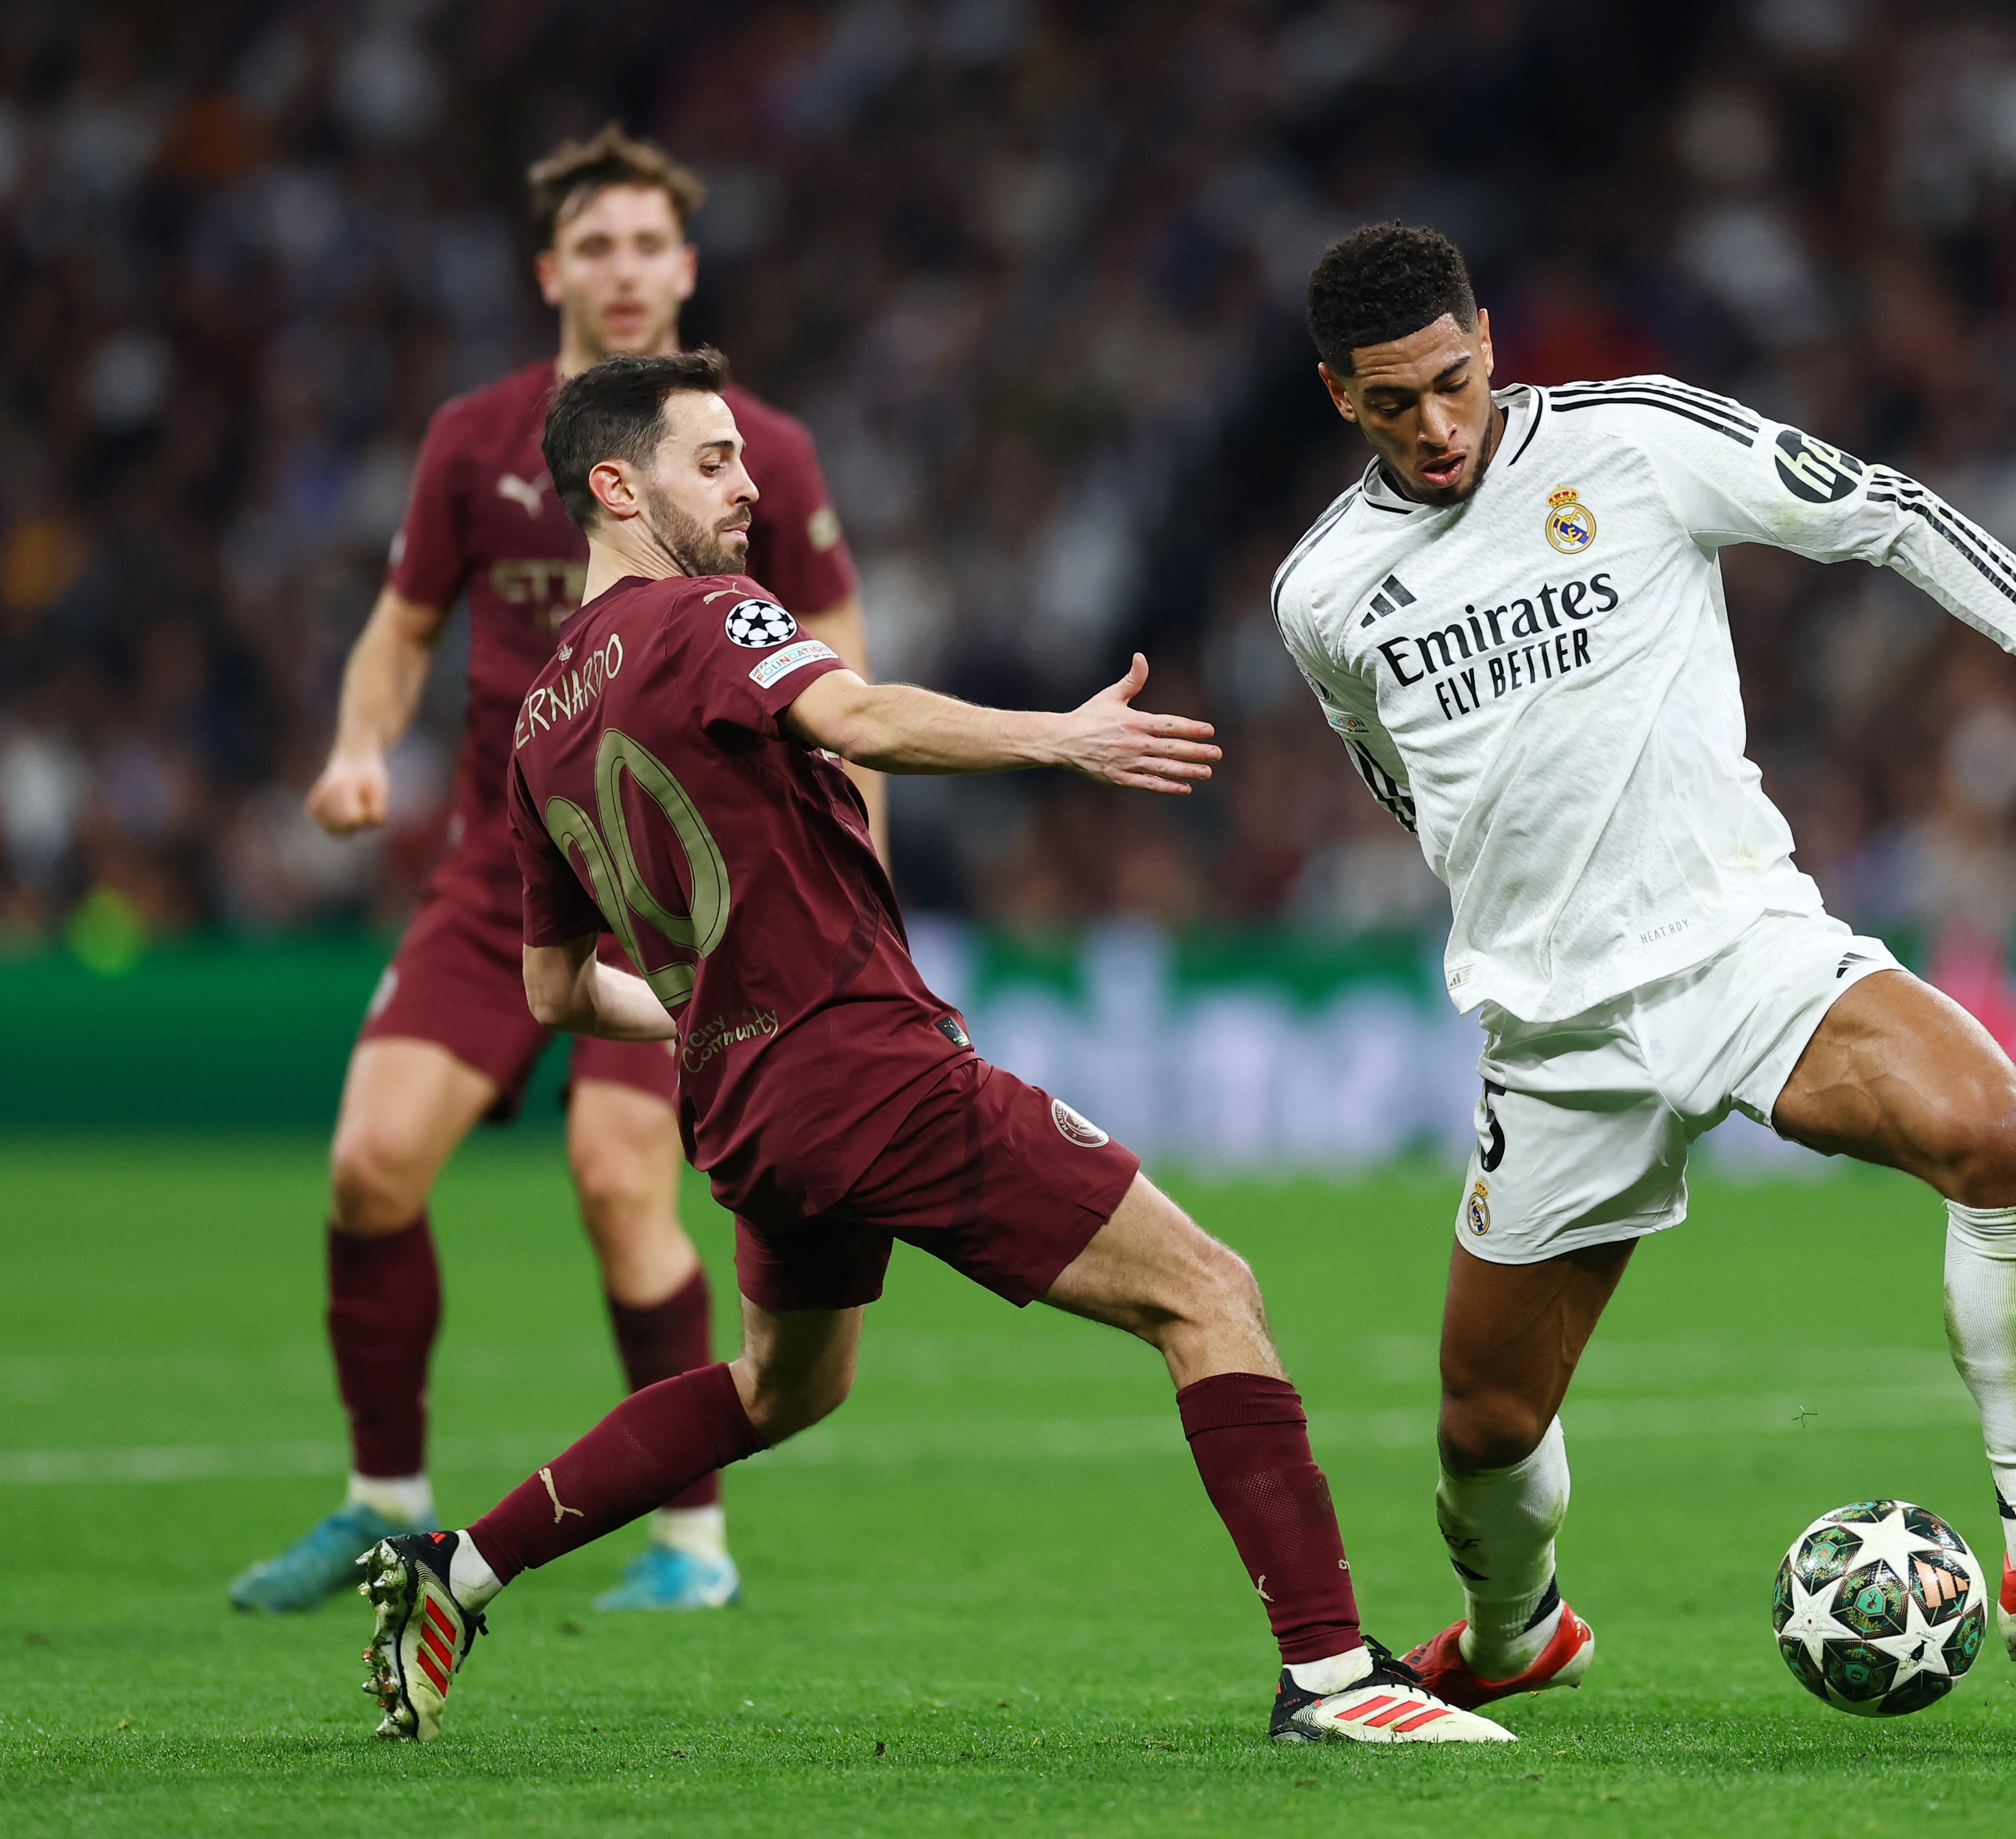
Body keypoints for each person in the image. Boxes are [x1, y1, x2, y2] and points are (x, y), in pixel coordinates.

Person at [354, 347, 1511, 1749]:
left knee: (785, 1386)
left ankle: (459, 1570)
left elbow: (554, 988)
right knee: (1207, 1292)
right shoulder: (709, 613)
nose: (747, 485)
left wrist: (710, 1010)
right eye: (711, 461)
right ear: (616, 486)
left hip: (744, 1102)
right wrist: (1062, 738)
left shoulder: (539, 726)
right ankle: (1333, 1678)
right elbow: (857, 715)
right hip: (864, 1068)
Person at [1272, 224, 2016, 1711]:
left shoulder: (1637, 439)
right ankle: (1515, 1633)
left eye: (1452, 381)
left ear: (1489, 340)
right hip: (1554, 1032)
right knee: (1485, 1425)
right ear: (1338, 396)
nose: (1435, 425)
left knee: (1989, 1128)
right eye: (1392, 403)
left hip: (1737, 951)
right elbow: (1400, 775)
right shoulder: (1322, 591)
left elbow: (1885, 513)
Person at [228, 129, 878, 1617]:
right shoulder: (475, 440)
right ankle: (383, 1503)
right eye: (596, 246)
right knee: (369, 1167)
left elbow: (841, 656)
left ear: (687, 265)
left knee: (616, 1179)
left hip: (676, 888)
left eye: (650, 244)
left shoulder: (754, 450)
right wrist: (358, 748)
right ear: (549, 272)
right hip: (501, 865)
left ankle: (692, 1540)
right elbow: (403, 626)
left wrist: (860, 864)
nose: (625, 270)